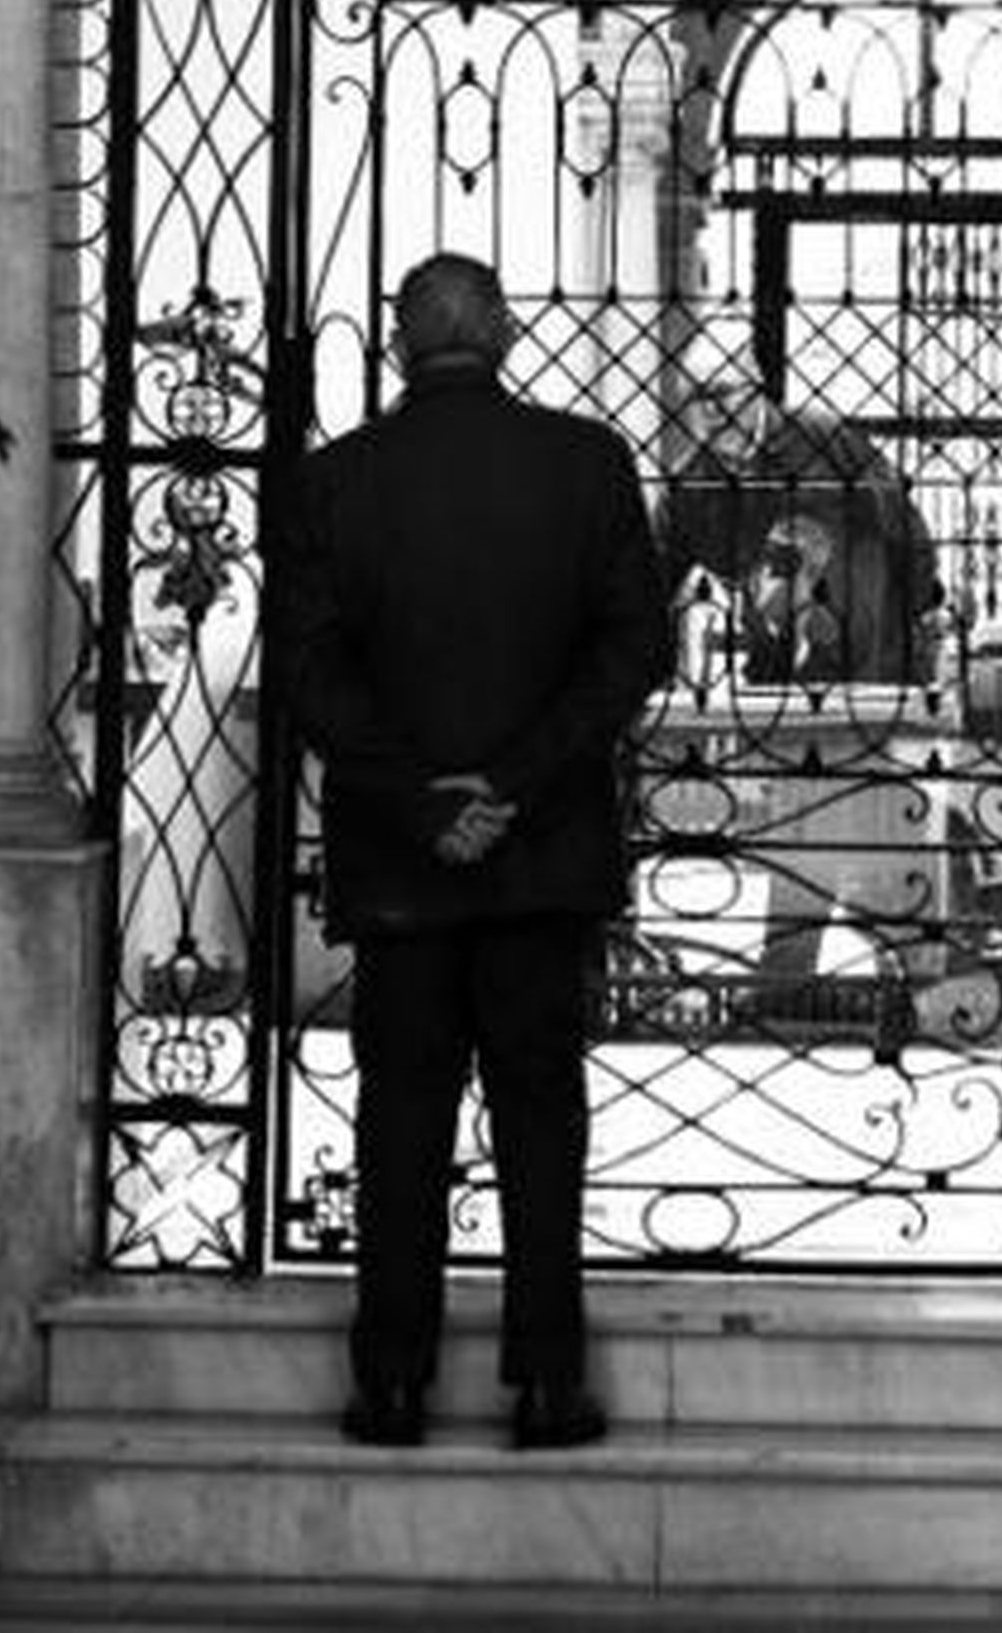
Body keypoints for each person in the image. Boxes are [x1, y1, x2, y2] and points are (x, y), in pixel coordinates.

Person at [271, 253, 670, 1451]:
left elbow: (307, 670)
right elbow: (633, 651)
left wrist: (419, 799)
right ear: (500, 333)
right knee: (542, 1121)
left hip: (403, 872)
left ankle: (390, 1385)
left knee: (400, 1119)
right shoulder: (587, 463)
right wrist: (513, 783)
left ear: (400, 344)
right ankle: (546, 1386)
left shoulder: (334, 481)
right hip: (540, 858)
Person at [659, 337, 942, 690]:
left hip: (873, 674)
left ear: (755, 384)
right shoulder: (689, 487)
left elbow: (905, 528)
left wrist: (915, 615)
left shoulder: (826, 438)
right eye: (696, 397)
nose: (711, 410)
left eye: (722, 391)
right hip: (775, 686)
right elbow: (650, 584)